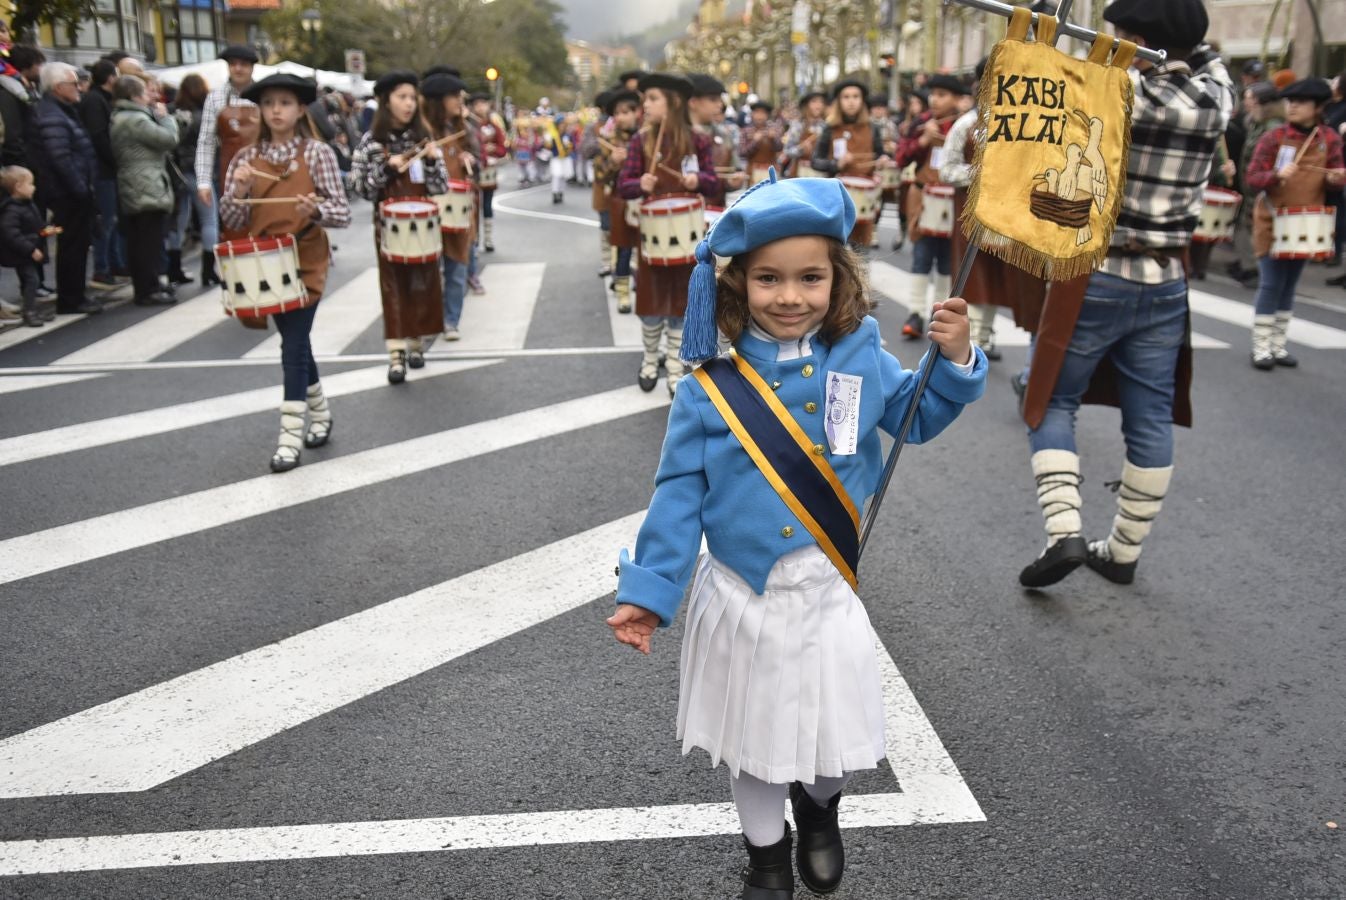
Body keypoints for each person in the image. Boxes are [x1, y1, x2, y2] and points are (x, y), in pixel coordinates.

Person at [607, 175, 986, 900]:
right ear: (736, 285)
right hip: (741, 594)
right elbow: (677, 497)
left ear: (836, 279)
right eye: (768, 279)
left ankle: (820, 810)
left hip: (824, 590)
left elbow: (917, 420)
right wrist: (649, 594)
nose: (790, 297)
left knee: (829, 743)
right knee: (753, 748)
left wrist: (957, 359)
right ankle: (766, 859)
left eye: (810, 278)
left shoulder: (860, 356)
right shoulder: (706, 389)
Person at [1017, 0, 1235, 589]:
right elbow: (1206, 60)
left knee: (1051, 400)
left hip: (1099, 274)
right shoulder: (1217, 95)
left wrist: (1049, 33)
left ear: (1138, 39)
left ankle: (1063, 531)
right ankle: (1122, 550)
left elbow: (1050, 83)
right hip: (1166, 281)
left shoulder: (1115, 88)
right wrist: (1178, 44)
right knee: (1152, 417)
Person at [220, 73, 352, 472]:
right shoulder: (245, 158)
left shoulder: (317, 154)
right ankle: (322, 414)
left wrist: (316, 210)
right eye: (269, 103)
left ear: (299, 110)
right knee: (297, 342)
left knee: (291, 344)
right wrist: (239, 191)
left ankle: (290, 437)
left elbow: (342, 212)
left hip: (306, 257)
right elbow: (231, 217)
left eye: (285, 103)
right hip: (264, 263)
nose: (276, 110)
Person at [616, 72, 720, 397]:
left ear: (673, 102)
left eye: (652, 99)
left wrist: (698, 180)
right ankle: (649, 359)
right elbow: (623, 185)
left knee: (680, 303)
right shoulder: (640, 141)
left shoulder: (698, 141)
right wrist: (639, 184)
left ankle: (676, 369)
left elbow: (715, 182)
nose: (644, 105)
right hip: (652, 236)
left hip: (688, 236)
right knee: (649, 304)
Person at [350, 70, 448, 384]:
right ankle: (396, 354)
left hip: (423, 224)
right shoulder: (370, 142)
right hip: (389, 225)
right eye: (400, 97)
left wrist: (432, 161)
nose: (408, 104)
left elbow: (440, 185)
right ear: (385, 101)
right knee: (392, 286)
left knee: (423, 282)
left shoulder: (425, 139)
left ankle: (417, 342)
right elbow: (361, 189)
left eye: (411, 98)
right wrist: (386, 170)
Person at [1244, 78, 1345, 369]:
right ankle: (1261, 347)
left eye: (1301, 102)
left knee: (1289, 285)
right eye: (1290, 101)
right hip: (1273, 219)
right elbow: (1252, 179)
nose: (1293, 106)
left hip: (1307, 222)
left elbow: (1336, 182)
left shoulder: (1329, 139)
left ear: (1318, 107)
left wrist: (1336, 178)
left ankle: (1278, 345)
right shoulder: (1274, 137)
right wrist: (1275, 176)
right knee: (1271, 283)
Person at [894, 73, 966, 339]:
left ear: (958, 99)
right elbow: (900, 157)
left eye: (943, 95)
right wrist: (923, 141)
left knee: (948, 261)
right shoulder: (921, 124)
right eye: (933, 94)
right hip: (923, 199)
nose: (935, 100)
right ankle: (915, 313)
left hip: (954, 202)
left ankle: (940, 314)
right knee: (921, 256)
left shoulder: (967, 126)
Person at [32, 61, 102, 315]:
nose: (79, 88)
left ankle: (74, 295)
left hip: (71, 189)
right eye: (74, 84)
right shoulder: (53, 115)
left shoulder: (60, 111)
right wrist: (80, 187)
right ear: (58, 86)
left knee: (77, 244)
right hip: (67, 192)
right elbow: (60, 158)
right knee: (73, 245)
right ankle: (72, 298)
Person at [109, 74, 179, 307]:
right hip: (145, 182)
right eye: (145, 91)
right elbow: (168, 139)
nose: (150, 96)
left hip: (135, 181)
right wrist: (166, 119)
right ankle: (147, 289)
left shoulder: (121, 117)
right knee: (147, 240)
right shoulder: (136, 120)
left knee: (141, 239)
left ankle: (148, 285)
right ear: (134, 95)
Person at [420, 71, 479, 341]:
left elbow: (478, 157)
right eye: (454, 96)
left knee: (457, 266)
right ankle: (428, 318)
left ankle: (451, 320)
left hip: (458, 207)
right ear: (438, 100)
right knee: (426, 270)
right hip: (429, 209)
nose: (460, 101)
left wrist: (470, 157)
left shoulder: (462, 128)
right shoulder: (420, 131)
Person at [810, 79, 893, 251]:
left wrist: (883, 159)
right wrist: (836, 164)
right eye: (846, 97)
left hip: (864, 198)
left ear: (862, 101)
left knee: (861, 255)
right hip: (836, 197)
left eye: (856, 96)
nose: (851, 101)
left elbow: (881, 153)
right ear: (839, 101)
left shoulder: (873, 128)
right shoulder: (830, 128)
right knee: (835, 253)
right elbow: (816, 160)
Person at [195, 44, 258, 247]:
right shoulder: (215, 97)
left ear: (252, 68)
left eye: (244, 64)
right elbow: (205, 142)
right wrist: (203, 182)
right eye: (233, 64)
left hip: (264, 170)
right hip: (230, 173)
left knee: (264, 225)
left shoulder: (264, 94)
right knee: (234, 227)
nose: (238, 69)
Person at [79, 58, 129, 288]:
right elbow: (98, 136)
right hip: (102, 170)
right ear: (110, 78)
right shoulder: (94, 101)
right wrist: (115, 158)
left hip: (107, 169)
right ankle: (102, 268)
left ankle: (115, 263)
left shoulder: (102, 100)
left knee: (113, 219)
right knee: (106, 220)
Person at [1229, 81, 1283, 285]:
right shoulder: (1256, 123)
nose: (1246, 103)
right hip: (1250, 187)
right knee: (1247, 226)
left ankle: (1256, 270)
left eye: (1250, 98)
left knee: (1256, 228)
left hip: (1260, 189)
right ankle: (1248, 265)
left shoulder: (1272, 128)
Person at [169, 73, 220, 287]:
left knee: (179, 220)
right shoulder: (206, 115)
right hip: (202, 172)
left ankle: (173, 269)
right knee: (209, 219)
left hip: (178, 171)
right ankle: (208, 271)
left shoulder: (173, 113)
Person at [0, 165, 53, 326]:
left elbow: (33, 224)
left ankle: (31, 309)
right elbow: (11, 234)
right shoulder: (12, 210)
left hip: (26, 250)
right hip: (22, 253)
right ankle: (29, 311)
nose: (33, 187)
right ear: (18, 187)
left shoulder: (26, 204)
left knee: (29, 281)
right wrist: (30, 249)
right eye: (30, 184)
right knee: (32, 281)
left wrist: (44, 229)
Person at [688, 74, 744, 211]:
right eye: (713, 99)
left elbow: (735, 170)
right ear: (693, 102)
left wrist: (734, 182)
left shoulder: (725, 135)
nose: (719, 105)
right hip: (682, 215)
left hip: (716, 213)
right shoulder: (676, 136)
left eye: (720, 99)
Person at [468, 92, 508, 253]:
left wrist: (495, 150)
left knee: (487, 204)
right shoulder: (469, 125)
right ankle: (474, 239)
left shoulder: (494, 126)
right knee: (474, 205)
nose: (480, 107)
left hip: (489, 170)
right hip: (475, 170)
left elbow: (503, 148)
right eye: (477, 104)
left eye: (483, 103)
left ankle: (488, 238)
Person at [783, 89, 826, 178]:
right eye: (814, 101)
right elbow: (787, 150)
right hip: (798, 174)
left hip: (820, 175)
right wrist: (801, 149)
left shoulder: (826, 127)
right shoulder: (797, 126)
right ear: (806, 105)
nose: (818, 105)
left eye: (821, 102)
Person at [738, 99, 782, 186]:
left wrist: (773, 139)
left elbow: (780, 148)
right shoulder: (746, 131)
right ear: (752, 114)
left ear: (767, 115)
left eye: (763, 113)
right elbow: (742, 153)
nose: (759, 116)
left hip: (771, 173)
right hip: (752, 172)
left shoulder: (774, 129)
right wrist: (755, 142)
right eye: (757, 112)